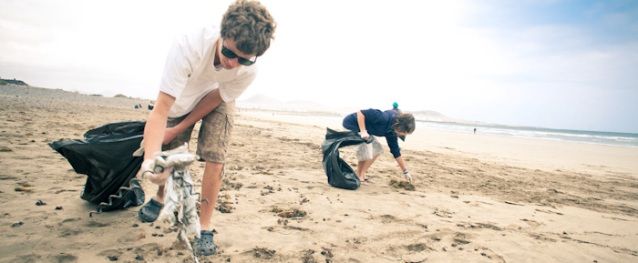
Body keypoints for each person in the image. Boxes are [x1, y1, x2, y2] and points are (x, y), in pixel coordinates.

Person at [136, 0, 275, 256]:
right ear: (222, 34)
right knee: (170, 156)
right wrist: (150, 161)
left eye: (244, 60)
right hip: (182, 98)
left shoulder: (248, 70)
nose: (233, 64)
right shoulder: (188, 45)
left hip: (217, 97)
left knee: (216, 157)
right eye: (230, 53)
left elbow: (218, 97)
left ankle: (205, 225)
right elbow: (161, 109)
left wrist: (181, 128)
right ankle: (159, 196)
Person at [342, 105, 416, 184]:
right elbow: (360, 113)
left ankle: (361, 174)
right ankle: (359, 176)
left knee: (378, 149)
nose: (403, 135)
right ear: (400, 127)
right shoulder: (383, 118)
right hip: (351, 125)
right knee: (366, 147)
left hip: (364, 131)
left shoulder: (392, 132)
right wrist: (363, 131)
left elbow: (396, 151)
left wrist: (405, 171)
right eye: (404, 133)